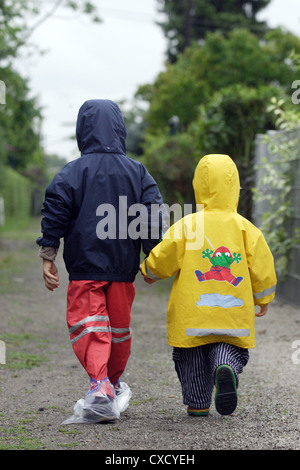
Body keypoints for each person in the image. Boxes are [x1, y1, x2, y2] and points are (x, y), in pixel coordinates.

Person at [37, 99, 165, 422]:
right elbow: (152, 216)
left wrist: (49, 255)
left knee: (89, 324)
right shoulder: (138, 173)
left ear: (83, 132)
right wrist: (153, 257)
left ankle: (99, 384)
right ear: (120, 130)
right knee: (120, 329)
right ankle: (112, 381)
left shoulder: (71, 173)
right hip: (123, 270)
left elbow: (55, 212)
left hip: (85, 269)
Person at [140, 154, 277, 417]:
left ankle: (198, 403)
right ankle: (224, 367)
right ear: (235, 187)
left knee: (190, 358)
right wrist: (263, 298)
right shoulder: (246, 229)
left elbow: (165, 254)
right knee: (229, 347)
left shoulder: (188, 226)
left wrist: (149, 270)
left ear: (198, 187)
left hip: (192, 314)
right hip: (232, 314)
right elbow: (262, 267)